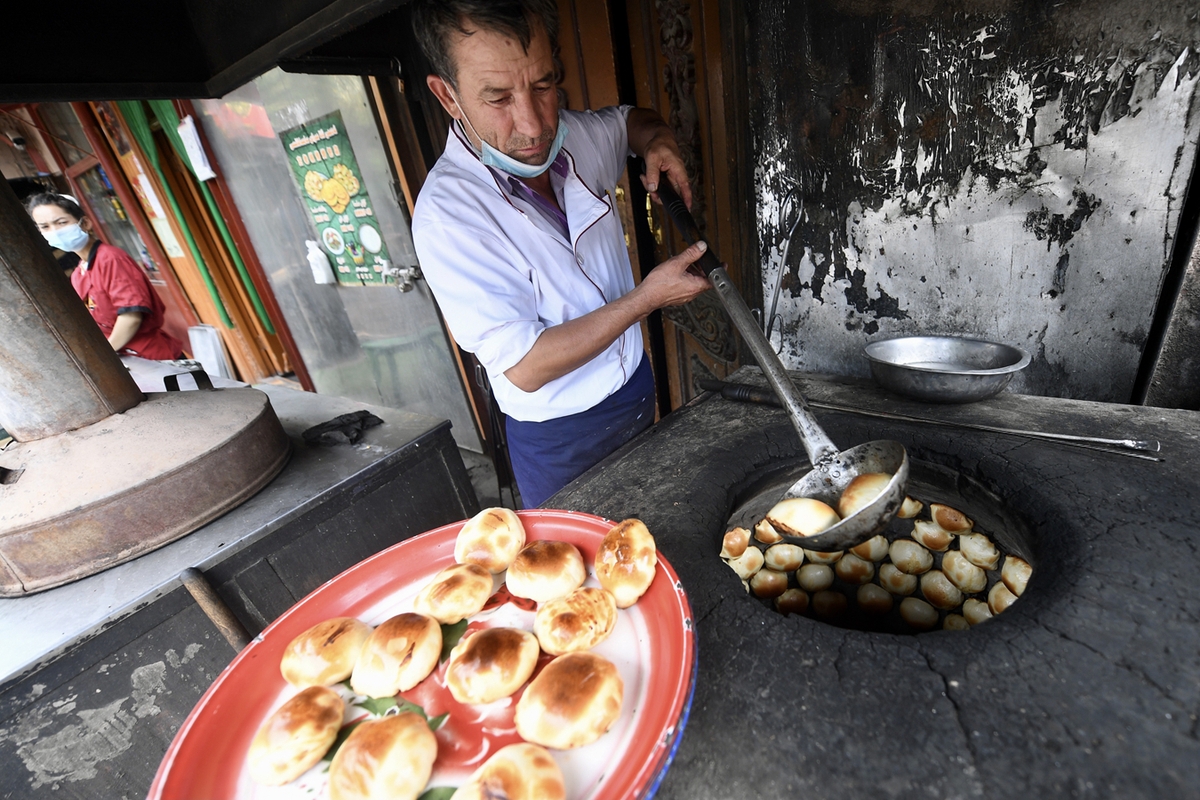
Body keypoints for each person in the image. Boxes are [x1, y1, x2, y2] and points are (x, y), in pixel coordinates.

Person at [410, 0, 711, 508]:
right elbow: (526, 365)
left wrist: (658, 140)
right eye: (499, 98)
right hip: (560, 436)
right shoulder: (449, 215)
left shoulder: (574, 139)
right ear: (448, 96)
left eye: (544, 86)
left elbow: (630, 122)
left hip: (635, 388)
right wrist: (646, 299)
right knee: (584, 580)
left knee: (660, 537)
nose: (533, 125)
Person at [26, 193, 184, 360]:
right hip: (125, 359)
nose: (55, 231)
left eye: (62, 222)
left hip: (153, 358)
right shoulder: (78, 275)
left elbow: (131, 316)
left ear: (85, 223)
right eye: (45, 227)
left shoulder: (111, 258)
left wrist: (105, 355)